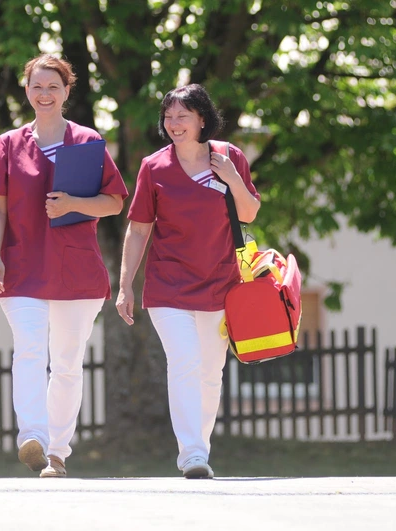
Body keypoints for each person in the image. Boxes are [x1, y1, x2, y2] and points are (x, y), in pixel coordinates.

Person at [0, 54, 128, 478]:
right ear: (26, 91)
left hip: (76, 271)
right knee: (29, 351)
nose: (44, 94)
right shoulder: (9, 144)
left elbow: (115, 200)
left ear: (67, 92)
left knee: (66, 363)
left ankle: (57, 453)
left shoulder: (87, 141)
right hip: (22, 267)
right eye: (36, 86)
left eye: (53, 87)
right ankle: (33, 436)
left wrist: (74, 205)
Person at [115, 84, 260, 479]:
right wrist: (125, 284)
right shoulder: (153, 166)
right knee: (183, 362)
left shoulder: (230, 157)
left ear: (202, 119)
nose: (174, 123)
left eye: (183, 115)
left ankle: (200, 446)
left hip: (221, 283)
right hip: (168, 285)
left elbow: (248, 214)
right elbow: (140, 229)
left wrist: (231, 178)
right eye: (169, 116)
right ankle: (192, 455)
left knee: (211, 372)